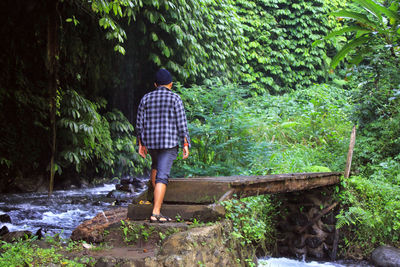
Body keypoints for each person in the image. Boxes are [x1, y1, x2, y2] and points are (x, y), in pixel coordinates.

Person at [136, 68, 190, 223]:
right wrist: (185, 143)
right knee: (163, 175)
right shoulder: (175, 99)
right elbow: (181, 123)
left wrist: (141, 143)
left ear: (155, 84)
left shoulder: (146, 98)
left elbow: (139, 124)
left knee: (155, 166)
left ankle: (155, 200)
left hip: (151, 142)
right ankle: (156, 213)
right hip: (169, 142)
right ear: (171, 84)